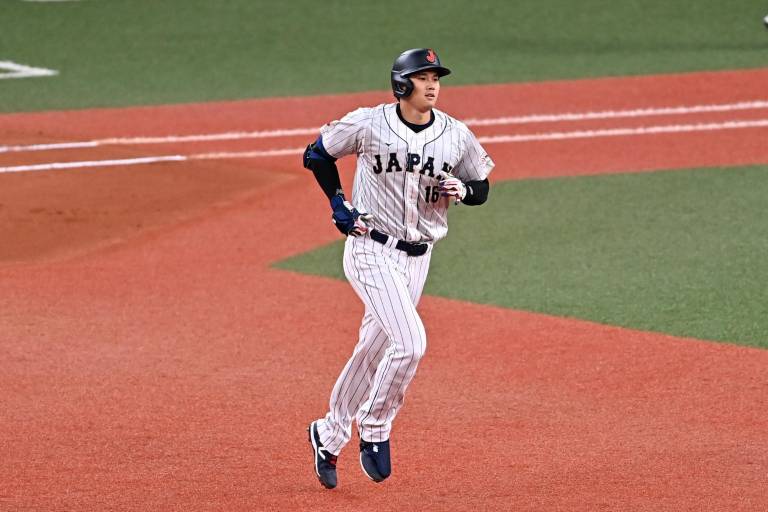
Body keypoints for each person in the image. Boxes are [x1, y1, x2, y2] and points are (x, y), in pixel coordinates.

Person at [303, 48, 494, 489]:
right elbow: (316, 155)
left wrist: (464, 190)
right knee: (410, 344)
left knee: (372, 351)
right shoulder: (369, 124)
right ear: (401, 84)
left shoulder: (455, 134)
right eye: (423, 77)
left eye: (436, 78)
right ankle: (375, 427)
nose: (432, 85)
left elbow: (481, 185)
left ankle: (328, 434)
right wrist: (338, 204)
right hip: (370, 249)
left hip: (418, 259)